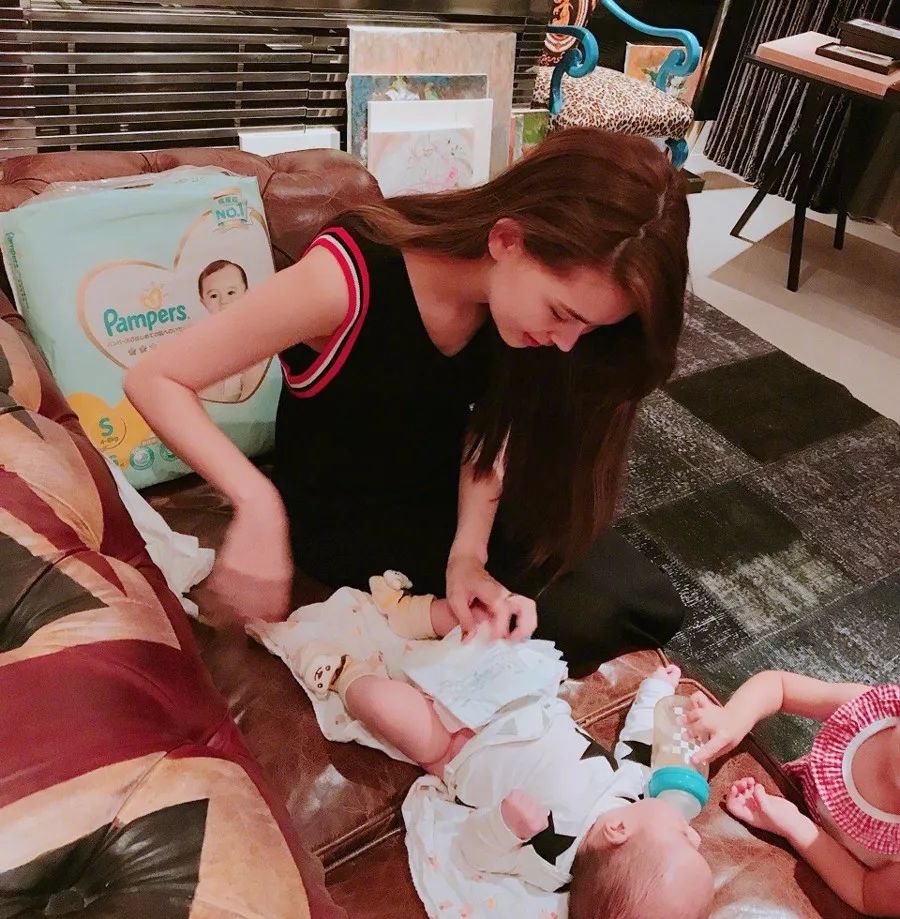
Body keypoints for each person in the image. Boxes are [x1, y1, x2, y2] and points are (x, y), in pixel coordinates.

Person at [124, 127, 691, 665]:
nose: (567, 343)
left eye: (587, 327)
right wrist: (257, 503)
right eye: (563, 314)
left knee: (648, 604)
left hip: (447, 497)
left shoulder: (516, 315)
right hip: (349, 517)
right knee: (586, 615)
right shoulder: (345, 280)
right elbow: (155, 378)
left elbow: (486, 426)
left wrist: (468, 556)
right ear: (506, 240)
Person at [299, 574, 712, 919]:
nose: (695, 836)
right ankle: (411, 613)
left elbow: (476, 853)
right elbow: (639, 740)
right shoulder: (636, 787)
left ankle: (346, 675)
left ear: (618, 832)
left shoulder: (552, 860)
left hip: (456, 749)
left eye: (683, 838)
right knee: (485, 622)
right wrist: (656, 691)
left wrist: (505, 826)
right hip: (512, 695)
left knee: (389, 711)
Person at [683, 671, 900, 917]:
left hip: (829, 864)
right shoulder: (870, 712)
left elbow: (865, 891)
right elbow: (780, 687)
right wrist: (734, 718)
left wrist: (795, 825)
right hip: (791, 788)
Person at [195, 260, 268, 404]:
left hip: (251, 387)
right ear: (203, 302)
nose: (223, 301)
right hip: (218, 390)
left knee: (255, 372)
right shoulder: (205, 336)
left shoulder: (257, 327)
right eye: (214, 296)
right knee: (205, 382)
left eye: (231, 293)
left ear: (246, 295)